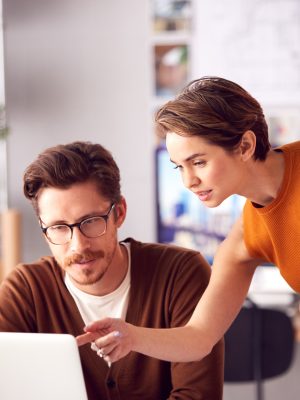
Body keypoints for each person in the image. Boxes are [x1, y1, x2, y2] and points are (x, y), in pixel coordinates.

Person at [76, 76, 300, 364]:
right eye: (179, 167)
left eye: (198, 162)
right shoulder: (247, 237)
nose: (189, 181)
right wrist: (131, 336)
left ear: (245, 145)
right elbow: (199, 337)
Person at [0, 141, 224, 400]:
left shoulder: (180, 273)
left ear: (119, 213)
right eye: (59, 227)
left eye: (91, 222)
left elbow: (198, 395)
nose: (79, 245)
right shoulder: (25, 289)